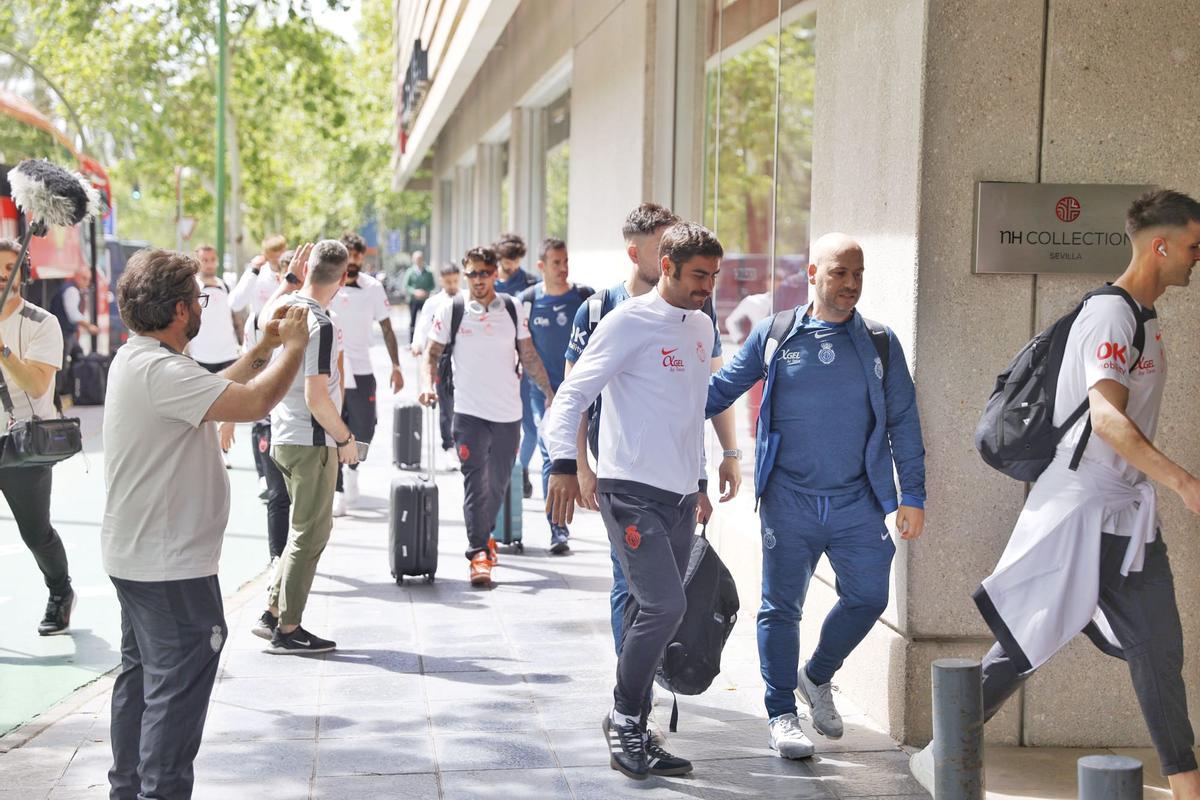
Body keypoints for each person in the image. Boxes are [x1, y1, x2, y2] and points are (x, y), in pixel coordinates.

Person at [969, 190, 1200, 797]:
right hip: (1081, 509)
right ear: (1162, 244)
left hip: (1125, 514)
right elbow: (1106, 418)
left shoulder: (1143, 320)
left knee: (1159, 650)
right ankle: (948, 743)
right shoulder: (1109, 314)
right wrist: (1183, 482)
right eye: (1194, 245)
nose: (1198, 257)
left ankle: (1187, 786)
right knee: (1024, 642)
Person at [706, 232, 926, 759]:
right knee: (781, 608)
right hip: (790, 498)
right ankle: (781, 712)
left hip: (857, 501)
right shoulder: (777, 334)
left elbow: (903, 421)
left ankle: (817, 675)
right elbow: (719, 392)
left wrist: (911, 493)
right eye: (838, 273)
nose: (850, 285)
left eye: (857, 274)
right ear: (811, 275)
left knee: (870, 596)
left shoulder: (879, 341)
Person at [102, 248, 310, 799]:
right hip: (170, 568)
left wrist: (261, 347)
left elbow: (215, 387)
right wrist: (293, 348)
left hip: (140, 558)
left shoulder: (140, 358)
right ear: (177, 310)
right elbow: (256, 400)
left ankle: (127, 789)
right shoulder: (161, 370)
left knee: (142, 681)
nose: (202, 307)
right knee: (173, 695)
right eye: (198, 299)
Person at [544, 221, 731, 780]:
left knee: (646, 611)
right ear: (667, 267)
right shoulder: (627, 320)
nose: (708, 287)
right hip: (629, 492)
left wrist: (698, 482)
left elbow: (691, 409)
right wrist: (563, 464)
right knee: (664, 607)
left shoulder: (701, 327)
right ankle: (624, 716)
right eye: (699, 275)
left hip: (678, 495)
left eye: (715, 277)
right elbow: (573, 393)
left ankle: (636, 726)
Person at [563, 202, 741, 652]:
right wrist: (578, 465)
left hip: (677, 481)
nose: (705, 284)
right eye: (661, 245)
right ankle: (630, 683)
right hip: (622, 475)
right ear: (640, 255)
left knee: (664, 593)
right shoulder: (600, 310)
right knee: (631, 581)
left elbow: (706, 393)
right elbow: (575, 395)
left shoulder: (698, 316)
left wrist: (726, 457)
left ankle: (639, 677)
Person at [418, 246, 554, 586]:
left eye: (484, 272)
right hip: (468, 412)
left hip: (508, 412)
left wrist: (550, 391)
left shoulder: (512, 307)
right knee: (473, 483)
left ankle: (484, 534)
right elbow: (431, 355)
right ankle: (478, 552)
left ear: (495, 274)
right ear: (465, 276)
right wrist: (426, 384)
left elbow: (528, 353)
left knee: (498, 482)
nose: (478, 279)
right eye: (472, 273)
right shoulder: (453, 309)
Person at [250, 241, 358, 654]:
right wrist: (345, 439)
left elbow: (260, 321)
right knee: (310, 534)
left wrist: (288, 281)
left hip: (281, 436)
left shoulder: (284, 307)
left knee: (300, 530)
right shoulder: (320, 324)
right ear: (343, 276)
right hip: (311, 440)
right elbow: (318, 396)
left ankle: (272, 614)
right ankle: (288, 629)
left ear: (308, 267)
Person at [0, 240, 74, 635]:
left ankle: (60, 592)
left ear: (23, 273)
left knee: (35, 532)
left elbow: (37, 383)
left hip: (23, 444)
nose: (2, 278)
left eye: (9, 269)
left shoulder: (42, 322)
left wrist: (4, 352)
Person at [518, 238, 592, 553]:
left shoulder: (586, 297)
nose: (563, 268)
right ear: (541, 266)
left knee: (584, 454)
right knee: (552, 453)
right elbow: (521, 346)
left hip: (583, 394)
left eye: (565, 262)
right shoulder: (527, 301)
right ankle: (557, 528)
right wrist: (547, 390)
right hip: (542, 395)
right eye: (556, 263)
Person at [331, 231, 404, 516]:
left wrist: (397, 365)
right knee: (332, 425)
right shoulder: (328, 284)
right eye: (348, 254)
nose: (353, 260)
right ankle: (337, 488)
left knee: (365, 427)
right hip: (331, 369)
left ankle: (353, 469)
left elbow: (387, 327)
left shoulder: (373, 287)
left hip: (362, 370)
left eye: (357, 255)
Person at [230, 233, 288, 493]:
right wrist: (253, 270)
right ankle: (263, 472)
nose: (277, 261)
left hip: (284, 349)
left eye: (281, 254)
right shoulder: (259, 275)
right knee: (260, 413)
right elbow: (236, 302)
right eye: (272, 255)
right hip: (258, 347)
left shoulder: (291, 275)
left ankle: (279, 470)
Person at [493, 233, 542, 498]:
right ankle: (504, 473)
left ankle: (520, 468)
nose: (511, 268)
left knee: (531, 428)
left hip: (525, 366)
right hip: (496, 366)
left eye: (515, 262)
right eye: (506, 263)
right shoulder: (487, 282)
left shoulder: (532, 284)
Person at [411, 263, 462, 451]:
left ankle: (460, 441)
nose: (452, 285)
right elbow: (423, 326)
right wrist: (417, 344)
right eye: (448, 281)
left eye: (455, 281)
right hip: (440, 355)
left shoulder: (464, 299)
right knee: (445, 402)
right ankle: (448, 445)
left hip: (462, 355)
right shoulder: (433, 303)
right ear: (441, 280)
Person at [48, 267, 99, 396]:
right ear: (76, 277)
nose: (86, 282)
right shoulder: (71, 290)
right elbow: (73, 315)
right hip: (63, 332)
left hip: (67, 332)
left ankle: (70, 387)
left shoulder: (72, 289)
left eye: (88, 279)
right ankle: (58, 392)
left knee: (77, 354)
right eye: (84, 278)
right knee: (61, 363)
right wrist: (89, 326)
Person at [189, 245, 240, 372]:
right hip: (201, 356)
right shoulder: (192, 288)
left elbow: (235, 319)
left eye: (212, 259)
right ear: (197, 262)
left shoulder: (226, 286)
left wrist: (241, 343)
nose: (209, 264)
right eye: (205, 260)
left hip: (229, 355)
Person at [402, 250, 434, 344]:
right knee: (413, 321)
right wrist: (414, 292)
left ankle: (427, 341)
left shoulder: (428, 272)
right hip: (413, 300)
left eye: (420, 259)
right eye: (416, 259)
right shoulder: (410, 272)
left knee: (427, 320)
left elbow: (432, 285)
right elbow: (406, 286)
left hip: (424, 300)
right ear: (413, 260)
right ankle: (411, 342)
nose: (418, 260)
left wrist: (426, 292)